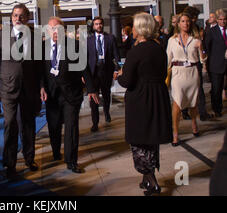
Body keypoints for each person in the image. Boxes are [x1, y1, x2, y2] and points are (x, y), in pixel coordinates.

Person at [117, 13, 172, 196]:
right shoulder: (159, 48)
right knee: (151, 139)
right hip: (158, 96)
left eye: (133, 26)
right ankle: (146, 179)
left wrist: (119, 74)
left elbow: (126, 81)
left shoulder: (136, 51)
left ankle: (151, 180)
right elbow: (163, 72)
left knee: (140, 140)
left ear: (139, 29)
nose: (131, 29)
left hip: (140, 98)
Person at [0, 4, 42, 179]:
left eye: (22, 16)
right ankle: (9, 163)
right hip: (8, 88)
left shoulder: (35, 38)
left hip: (29, 89)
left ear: (28, 18)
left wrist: (41, 87)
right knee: (10, 125)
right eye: (15, 15)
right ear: (11, 18)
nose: (18, 18)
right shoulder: (1, 37)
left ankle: (29, 158)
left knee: (28, 125)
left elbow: (39, 66)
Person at [40, 17, 98, 173]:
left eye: (58, 28)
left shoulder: (76, 46)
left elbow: (84, 68)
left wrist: (91, 89)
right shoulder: (42, 47)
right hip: (51, 94)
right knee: (54, 126)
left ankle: (71, 160)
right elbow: (40, 72)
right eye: (52, 29)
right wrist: (41, 87)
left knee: (72, 126)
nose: (55, 32)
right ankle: (55, 152)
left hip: (71, 93)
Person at [166, 12, 207, 146]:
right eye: (183, 21)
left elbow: (203, 60)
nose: (186, 24)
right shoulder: (172, 40)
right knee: (177, 104)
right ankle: (175, 134)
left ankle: (194, 124)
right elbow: (168, 59)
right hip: (178, 74)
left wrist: (201, 49)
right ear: (178, 24)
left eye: (188, 21)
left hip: (192, 73)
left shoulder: (195, 40)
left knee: (193, 102)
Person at [87, 16, 120, 131]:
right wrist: (84, 75)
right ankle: (95, 122)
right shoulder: (89, 40)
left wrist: (117, 69)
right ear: (93, 26)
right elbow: (85, 58)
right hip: (93, 72)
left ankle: (106, 112)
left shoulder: (110, 38)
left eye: (100, 23)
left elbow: (116, 54)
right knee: (93, 98)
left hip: (106, 70)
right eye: (96, 24)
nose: (99, 26)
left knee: (106, 95)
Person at [204, 9, 226, 118]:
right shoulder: (212, 32)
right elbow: (207, 47)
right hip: (216, 64)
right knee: (216, 88)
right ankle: (217, 108)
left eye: (225, 19)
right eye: (221, 20)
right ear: (217, 20)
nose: (223, 21)